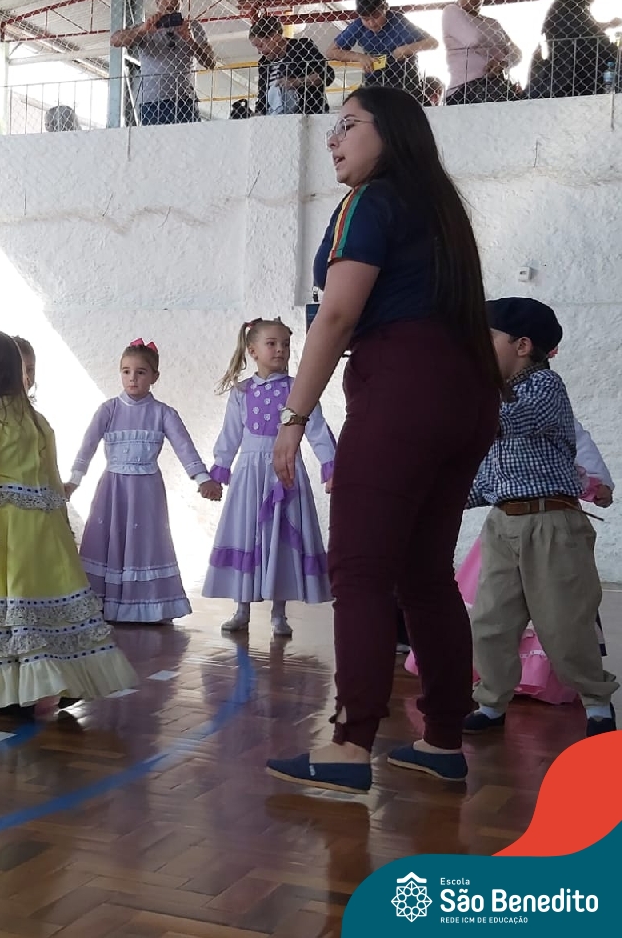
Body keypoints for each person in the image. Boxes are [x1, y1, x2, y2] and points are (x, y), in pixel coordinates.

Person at [265, 87, 503, 794]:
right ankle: (443, 739)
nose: (333, 138)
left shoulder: (370, 201)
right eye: (332, 126)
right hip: (467, 398)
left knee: (361, 570)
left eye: (348, 124)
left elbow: (337, 315)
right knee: (425, 573)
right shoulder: (442, 212)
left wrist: (294, 416)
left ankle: (349, 744)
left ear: (392, 133)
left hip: (403, 392)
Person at [0, 329, 137, 713]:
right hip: (44, 527)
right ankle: (69, 678)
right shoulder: (36, 419)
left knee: (10, 605)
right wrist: (61, 525)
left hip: (7, 530)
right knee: (47, 604)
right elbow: (51, 476)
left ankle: (8, 693)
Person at [463, 297, 617, 738]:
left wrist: (455, 399)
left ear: (523, 346)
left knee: (563, 623)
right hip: (503, 524)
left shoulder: (544, 387)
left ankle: (597, 702)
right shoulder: (492, 398)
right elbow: (486, 475)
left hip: (552, 523)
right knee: (491, 620)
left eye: (488, 338)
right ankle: (491, 702)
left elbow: (509, 421)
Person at [201, 318, 336, 636]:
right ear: (253, 350)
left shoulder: (297, 389)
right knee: (247, 535)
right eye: (272, 344)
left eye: (285, 344)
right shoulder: (241, 392)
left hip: (284, 471)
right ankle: (241, 609)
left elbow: (317, 428)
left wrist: (331, 466)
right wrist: (218, 472)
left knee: (281, 538)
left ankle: (279, 613)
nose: (280, 350)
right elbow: (230, 435)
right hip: (249, 476)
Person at [67, 340, 211, 624]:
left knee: (144, 543)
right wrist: (74, 480)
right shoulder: (108, 410)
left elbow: (185, 448)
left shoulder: (163, 413)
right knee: (108, 539)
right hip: (113, 490)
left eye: (141, 372)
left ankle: (148, 606)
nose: (132, 378)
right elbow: (87, 446)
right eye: (126, 371)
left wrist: (202, 478)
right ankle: (103, 603)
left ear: (155, 376)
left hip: (147, 492)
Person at [110, 0, 217, 125]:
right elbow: (115, 40)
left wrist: (190, 40)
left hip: (184, 101)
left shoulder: (193, 27)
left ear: (181, 0)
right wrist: (142, 30)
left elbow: (211, 62)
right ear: (157, 0)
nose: (171, 1)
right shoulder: (146, 27)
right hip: (152, 102)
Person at [326, 0, 438, 100]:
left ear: (385, 7)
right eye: (366, 19)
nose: (371, 23)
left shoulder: (397, 21)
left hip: (404, 78)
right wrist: (359, 57)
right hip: (375, 79)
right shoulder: (358, 25)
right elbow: (331, 52)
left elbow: (433, 43)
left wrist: (406, 49)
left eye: (376, 16)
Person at [442, 0, 522, 104]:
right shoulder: (451, 11)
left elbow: (517, 53)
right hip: (464, 89)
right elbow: (473, 39)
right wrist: (502, 51)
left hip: (496, 85)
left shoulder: (493, 23)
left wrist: (502, 63)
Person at [540, 0, 621, 98]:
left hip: (576, 73)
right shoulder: (567, 8)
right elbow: (587, 31)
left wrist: (609, 25)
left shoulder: (572, 7)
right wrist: (610, 45)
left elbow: (589, 28)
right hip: (571, 74)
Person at [249, 16, 335, 116]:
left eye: (260, 45)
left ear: (276, 37)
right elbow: (262, 97)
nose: (259, 51)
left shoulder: (301, 47)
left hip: (306, 113)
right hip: (273, 119)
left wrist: (297, 82)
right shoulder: (264, 64)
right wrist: (256, 115)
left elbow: (327, 75)